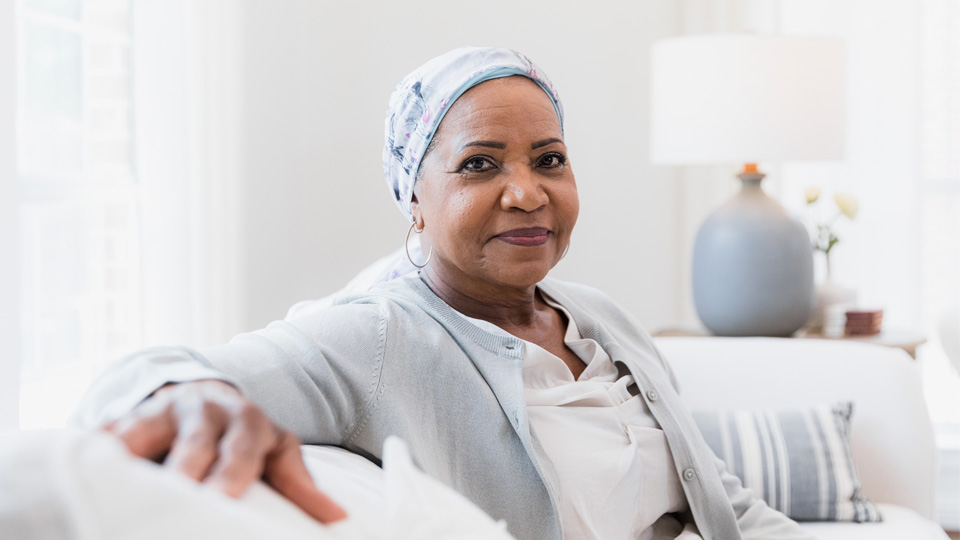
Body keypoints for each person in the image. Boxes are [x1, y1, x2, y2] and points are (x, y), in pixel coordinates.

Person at [75, 47, 813, 540]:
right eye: (479, 164)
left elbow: (724, 501)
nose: (527, 193)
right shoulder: (379, 338)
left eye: (548, 159)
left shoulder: (603, 318)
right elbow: (134, 380)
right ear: (415, 200)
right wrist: (185, 391)